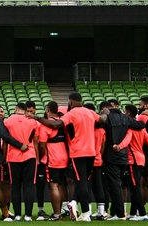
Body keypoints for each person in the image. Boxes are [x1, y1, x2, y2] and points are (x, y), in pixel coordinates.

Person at [34, 92, 104, 222]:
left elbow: (56, 124)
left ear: (70, 102)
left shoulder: (71, 114)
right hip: (91, 152)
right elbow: (103, 120)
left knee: (81, 182)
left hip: (78, 153)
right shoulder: (90, 112)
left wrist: (37, 118)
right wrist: (105, 113)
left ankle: (85, 213)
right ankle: (76, 204)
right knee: (84, 181)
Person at [99, 100, 145, 220]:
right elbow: (140, 125)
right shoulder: (126, 118)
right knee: (117, 183)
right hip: (123, 156)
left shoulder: (107, 118)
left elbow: (98, 126)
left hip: (111, 155)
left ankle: (119, 214)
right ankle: (114, 212)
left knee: (114, 184)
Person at [116, 104, 148, 220]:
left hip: (132, 160)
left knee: (135, 187)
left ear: (128, 114)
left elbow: (127, 140)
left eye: (125, 112)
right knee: (135, 186)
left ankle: (142, 214)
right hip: (141, 159)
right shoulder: (142, 129)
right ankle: (133, 213)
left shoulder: (130, 128)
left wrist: (118, 147)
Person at [3, 102, 38, 222]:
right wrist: (38, 158)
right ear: (26, 110)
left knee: (15, 186)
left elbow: (5, 141)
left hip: (13, 157)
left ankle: (17, 215)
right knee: (29, 186)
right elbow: (36, 141)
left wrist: (4, 157)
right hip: (30, 155)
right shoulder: (33, 122)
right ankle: (28, 215)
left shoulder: (7, 121)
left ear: (16, 109)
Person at [37, 101, 68, 221]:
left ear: (47, 110)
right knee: (61, 185)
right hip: (64, 158)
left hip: (52, 159)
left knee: (53, 186)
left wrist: (40, 157)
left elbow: (41, 145)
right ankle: (61, 211)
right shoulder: (63, 123)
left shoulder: (45, 125)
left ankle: (56, 214)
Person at [84, 103, 107, 220]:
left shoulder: (87, 130)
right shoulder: (102, 130)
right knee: (99, 186)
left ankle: (87, 211)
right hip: (98, 159)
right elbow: (103, 147)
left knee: (87, 186)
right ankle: (101, 212)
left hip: (87, 159)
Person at [26, 100, 48, 220]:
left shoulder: (40, 124)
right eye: (28, 111)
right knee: (27, 184)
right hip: (29, 158)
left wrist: (39, 158)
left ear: (35, 110)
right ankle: (24, 212)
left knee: (40, 184)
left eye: (31, 111)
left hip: (39, 159)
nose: (30, 113)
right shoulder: (25, 123)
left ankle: (40, 209)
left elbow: (40, 144)